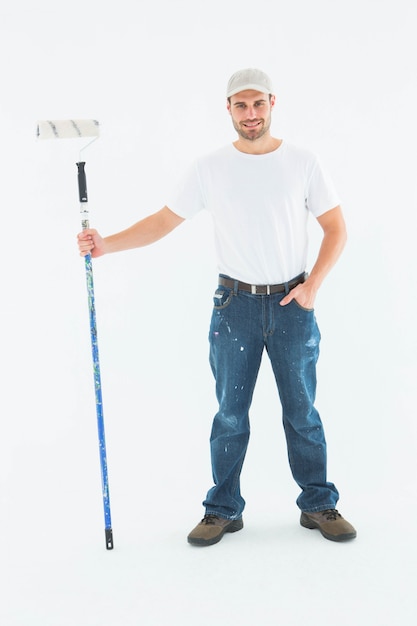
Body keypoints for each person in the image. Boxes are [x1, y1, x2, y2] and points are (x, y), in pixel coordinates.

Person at [78, 68, 356, 547]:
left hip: (292, 303)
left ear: (272, 102)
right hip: (234, 307)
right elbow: (164, 221)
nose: (251, 114)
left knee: (302, 411)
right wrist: (107, 244)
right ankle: (223, 508)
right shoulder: (209, 168)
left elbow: (336, 228)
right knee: (230, 413)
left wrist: (313, 287)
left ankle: (317, 503)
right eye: (241, 106)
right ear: (228, 109)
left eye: (258, 104)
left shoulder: (303, 162)